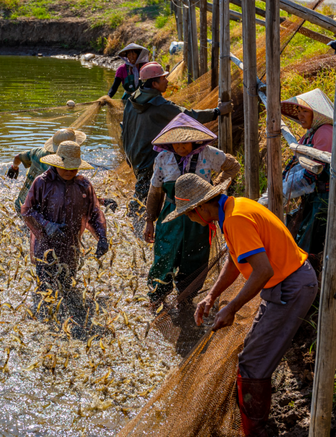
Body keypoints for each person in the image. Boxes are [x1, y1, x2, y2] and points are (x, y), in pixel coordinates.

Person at [165, 173, 318, 437]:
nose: (190, 220)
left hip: (291, 287)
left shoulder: (235, 219)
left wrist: (232, 307)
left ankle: (256, 431)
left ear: (200, 208)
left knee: (253, 363)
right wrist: (213, 295)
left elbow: (262, 271)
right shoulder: (233, 209)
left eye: (188, 214)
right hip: (283, 285)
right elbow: (237, 260)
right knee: (251, 355)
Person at [144, 113, 240, 303]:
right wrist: (149, 220)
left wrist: (214, 189)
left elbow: (233, 166)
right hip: (171, 214)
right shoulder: (163, 158)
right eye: (176, 144)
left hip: (200, 215)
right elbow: (155, 192)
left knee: (196, 256)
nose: (180, 147)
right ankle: (157, 298)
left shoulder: (208, 153)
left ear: (195, 140)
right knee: (165, 256)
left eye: (185, 143)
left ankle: (186, 298)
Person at [120, 61, 233, 225]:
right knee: (147, 198)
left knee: (145, 194)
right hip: (150, 158)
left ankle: (138, 228)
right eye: (163, 79)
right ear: (154, 83)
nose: (167, 81)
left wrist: (128, 156)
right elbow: (188, 117)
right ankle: (141, 231)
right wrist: (217, 112)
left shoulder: (132, 100)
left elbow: (125, 131)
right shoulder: (159, 105)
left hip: (135, 158)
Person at [21, 141, 108, 305]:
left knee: (66, 286)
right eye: (65, 168)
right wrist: (48, 226)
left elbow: (94, 212)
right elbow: (27, 210)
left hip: (70, 246)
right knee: (45, 288)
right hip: (46, 245)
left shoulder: (83, 185)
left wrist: (102, 238)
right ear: (57, 164)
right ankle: (45, 321)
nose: (69, 172)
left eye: (73, 168)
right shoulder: (42, 183)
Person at [279, 89, 333, 257]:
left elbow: (315, 171)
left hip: (326, 197)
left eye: (305, 111)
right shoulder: (310, 133)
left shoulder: (325, 132)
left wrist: (286, 188)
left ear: (316, 114)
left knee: (308, 240)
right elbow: (295, 163)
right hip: (314, 195)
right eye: (299, 111)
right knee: (299, 232)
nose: (300, 116)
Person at [7, 128, 86, 214]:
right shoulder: (63, 169)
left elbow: (17, 157)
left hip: (20, 204)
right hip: (37, 214)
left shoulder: (37, 152)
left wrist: (14, 168)